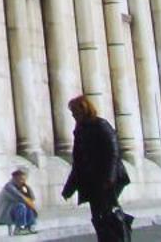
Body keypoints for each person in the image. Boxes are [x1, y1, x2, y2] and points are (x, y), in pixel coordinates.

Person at [62, 94, 131, 242]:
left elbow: (114, 152)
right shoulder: (80, 130)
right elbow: (78, 162)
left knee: (109, 213)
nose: (74, 116)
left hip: (107, 179)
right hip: (91, 181)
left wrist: (110, 178)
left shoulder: (100, 125)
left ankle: (120, 238)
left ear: (84, 110)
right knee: (99, 217)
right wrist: (69, 187)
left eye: (75, 112)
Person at [0, 166, 40, 234]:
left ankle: (30, 226)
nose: (21, 180)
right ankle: (20, 228)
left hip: (14, 214)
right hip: (4, 216)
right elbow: (21, 198)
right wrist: (33, 207)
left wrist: (27, 189)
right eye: (19, 177)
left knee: (28, 207)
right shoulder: (9, 187)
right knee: (21, 206)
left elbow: (32, 200)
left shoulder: (24, 187)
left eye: (23, 178)